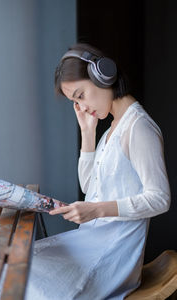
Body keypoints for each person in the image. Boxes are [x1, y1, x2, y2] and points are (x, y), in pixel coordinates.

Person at [25, 43, 171, 300]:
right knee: (19, 263)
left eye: (81, 96)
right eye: (75, 102)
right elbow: (89, 188)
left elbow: (160, 198)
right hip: (91, 243)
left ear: (103, 75)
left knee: (28, 280)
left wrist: (97, 210)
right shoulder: (112, 129)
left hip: (113, 255)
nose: (81, 106)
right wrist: (88, 132)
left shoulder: (138, 128)